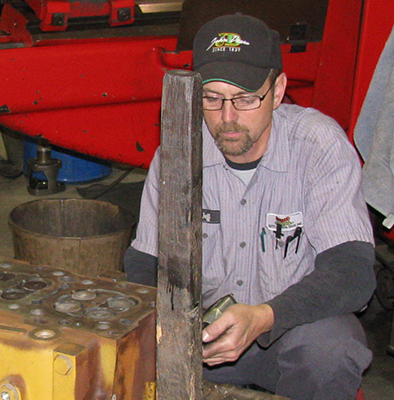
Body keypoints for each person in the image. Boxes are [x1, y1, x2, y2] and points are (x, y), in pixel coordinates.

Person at [123, 13, 376, 400]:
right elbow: (145, 264)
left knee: (331, 348)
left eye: (245, 99)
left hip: (286, 333)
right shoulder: (177, 151)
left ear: (277, 91)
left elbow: (352, 273)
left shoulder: (318, 145)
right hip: (200, 339)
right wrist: (169, 331)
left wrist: (263, 317)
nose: (227, 118)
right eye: (212, 98)